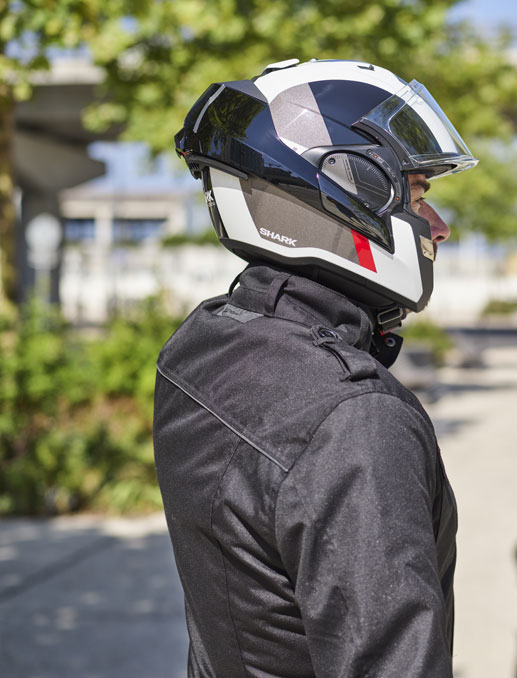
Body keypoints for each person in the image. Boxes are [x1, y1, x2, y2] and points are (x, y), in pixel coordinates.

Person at [154, 59, 477, 678]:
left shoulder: (201, 347)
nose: (439, 227)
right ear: (342, 192)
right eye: (417, 196)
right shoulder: (354, 424)